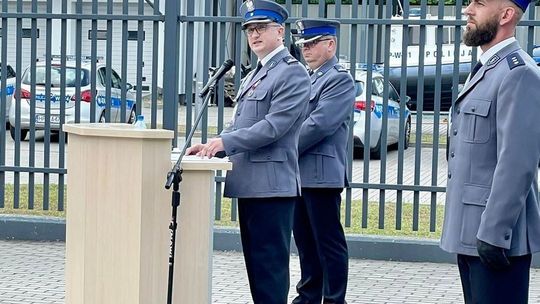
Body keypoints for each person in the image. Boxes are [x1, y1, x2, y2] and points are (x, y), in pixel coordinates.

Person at [186, 1, 310, 303]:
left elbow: (273, 127)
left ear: (280, 31)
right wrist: (213, 144)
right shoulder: (255, 74)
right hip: (252, 185)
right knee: (257, 270)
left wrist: (227, 144)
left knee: (269, 271)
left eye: (261, 28)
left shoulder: (292, 73)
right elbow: (241, 123)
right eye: (250, 30)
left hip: (272, 188)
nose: (254, 35)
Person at [440, 0, 540, 302]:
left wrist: (494, 234)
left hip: (494, 237)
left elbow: (517, 163)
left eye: (479, 3)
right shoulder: (487, 68)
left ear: (506, 15)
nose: (467, 10)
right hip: (471, 232)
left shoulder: (518, 73)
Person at [291, 19, 354, 304]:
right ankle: (308, 296)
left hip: (322, 175)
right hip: (299, 174)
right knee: (305, 243)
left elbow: (319, 125)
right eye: (304, 44)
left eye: (313, 43)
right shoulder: (309, 77)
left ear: (331, 44)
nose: (306, 49)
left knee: (328, 243)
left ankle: (333, 298)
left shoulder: (339, 79)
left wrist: (284, 147)